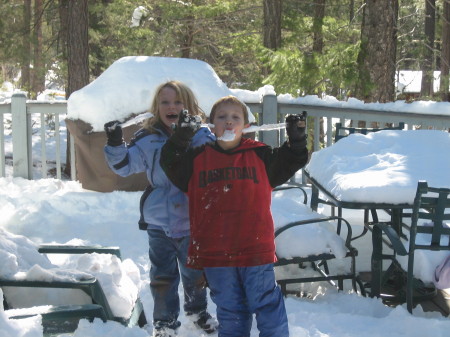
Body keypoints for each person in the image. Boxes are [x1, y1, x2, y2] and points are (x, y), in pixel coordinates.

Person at [160, 95, 308, 337]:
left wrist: (297, 137)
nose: (228, 122)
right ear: (210, 124)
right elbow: (169, 161)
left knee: (267, 306)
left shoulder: (261, 156)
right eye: (222, 117)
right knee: (230, 311)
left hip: (254, 248)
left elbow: (293, 158)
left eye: (235, 117)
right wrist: (182, 135)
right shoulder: (197, 159)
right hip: (216, 252)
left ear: (246, 125)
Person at [103, 81, 217, 337]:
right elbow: (123, 166)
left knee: (194, 272)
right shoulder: (147, 138)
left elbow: (211, 172)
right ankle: (165, 322)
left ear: (189, 107)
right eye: (165, 102)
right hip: (159, 220)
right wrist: (114, 142)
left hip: (192, 219)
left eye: (178, 102)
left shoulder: (202, 136)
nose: (172, 107)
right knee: (162, 275)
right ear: (156, 108)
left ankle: (197, 311)